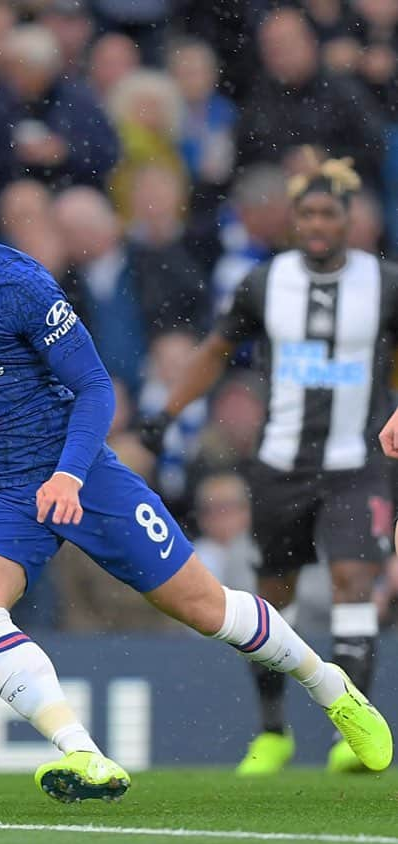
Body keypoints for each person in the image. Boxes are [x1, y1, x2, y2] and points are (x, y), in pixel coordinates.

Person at [0, 172, 392, 803]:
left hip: (79, 473)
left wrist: (68, 473)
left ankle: (332, 688)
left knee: (205, 608)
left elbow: (95, 388)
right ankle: (82, 756)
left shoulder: (19, 286)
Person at [140, 154, 397, 775]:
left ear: (349, 220)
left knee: (354, 584)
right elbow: (216, 350)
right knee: (272, 594)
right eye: (304, 213)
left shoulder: (386, 283)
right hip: (279, 464)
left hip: (357, 462)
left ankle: (349, 730)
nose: (315, 224)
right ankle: (273, 729)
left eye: (327, 214)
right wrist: (167, 412)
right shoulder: (264, 283)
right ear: (291, 220)